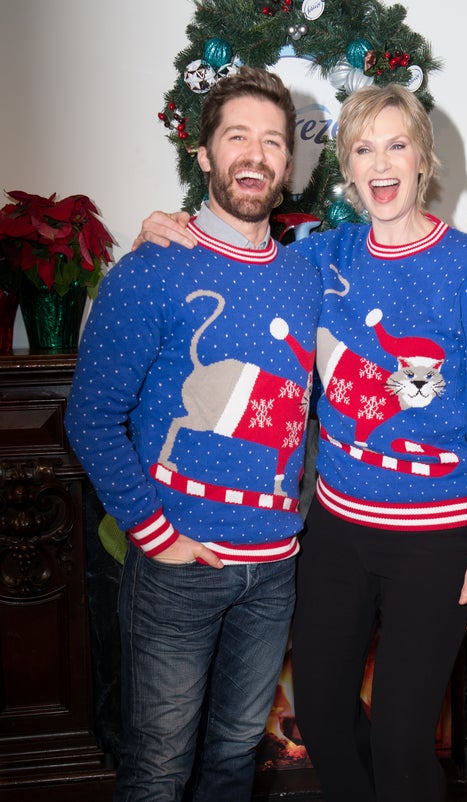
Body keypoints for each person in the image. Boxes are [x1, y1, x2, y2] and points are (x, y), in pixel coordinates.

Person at [137, 82, 467, 802]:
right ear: (346, 168)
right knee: (318, 714)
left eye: (397, 144)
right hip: (340, 528)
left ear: (424, 160)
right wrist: (166, 233)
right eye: (362, 148)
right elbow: (241, 271)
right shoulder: (320, 259)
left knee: (402, 741)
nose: (380, 163)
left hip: (438, 536)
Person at [65, 66, 322, 802]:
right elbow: (90, 416)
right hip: (178, 568)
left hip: (274, 572)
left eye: (273, 141)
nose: (256, 154)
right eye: (237, 136)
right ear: (204, 154)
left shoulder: (306, 277)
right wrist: (156, 535)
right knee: (157, 768)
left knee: (237, 756)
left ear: (288, 164)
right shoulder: (153, 268)